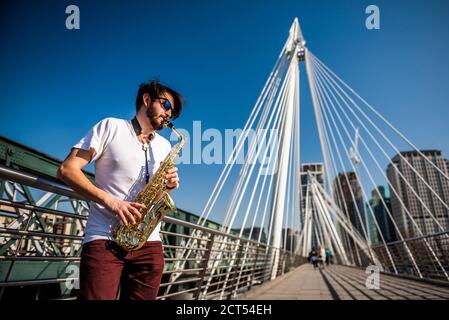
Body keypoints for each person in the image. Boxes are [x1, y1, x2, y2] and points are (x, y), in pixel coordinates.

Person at [57, 80, 183, 300]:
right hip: (104, 239)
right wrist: (113, 202)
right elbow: (67, 170)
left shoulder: (164, 146)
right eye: (166, 105)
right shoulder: (111, 126)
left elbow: (158, 198)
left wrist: (169, 187)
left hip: (149, 243)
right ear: (146, 100)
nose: (168, 114)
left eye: (172, 111)